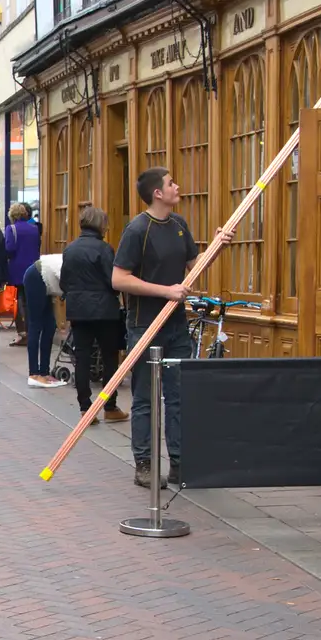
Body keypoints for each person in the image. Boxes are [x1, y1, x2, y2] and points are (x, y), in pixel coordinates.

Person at [113, 167, 232, 487]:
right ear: (157, 193)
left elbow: (195, 267)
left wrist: (218, 246)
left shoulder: (179, 225)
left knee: (180, 395)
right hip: (145, 326)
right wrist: (166, 291)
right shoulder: (137, 230)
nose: (177, 186)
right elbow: (119, 278)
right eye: (171, 183)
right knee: (145, 399)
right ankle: (145, 465)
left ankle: (180, 463)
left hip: (177, 325)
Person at [61, 206, 130, 427]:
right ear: (101, 225)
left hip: (78, 310)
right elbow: (114, 280)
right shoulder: (104, 249)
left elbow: (64, 282)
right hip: (104, 311)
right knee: (110, 358)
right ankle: (110, 406)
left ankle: (85, 408)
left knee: (82, 357)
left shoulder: (70, 249)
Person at [22, 254, 64, 387]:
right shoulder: (75, 265)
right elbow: (68, 284)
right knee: (35, 324)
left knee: (50, 326)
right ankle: (34, 374)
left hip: (45, 279)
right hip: (36, 276)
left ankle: (44, 372)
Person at [7, 202, 42, 349]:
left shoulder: (11, 229)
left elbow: (9, 248)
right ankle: (32, 331)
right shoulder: (34, 229)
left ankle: (24, 333)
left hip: (17, 269)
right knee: (31, 301)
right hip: (34, 268)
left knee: (20, 300)